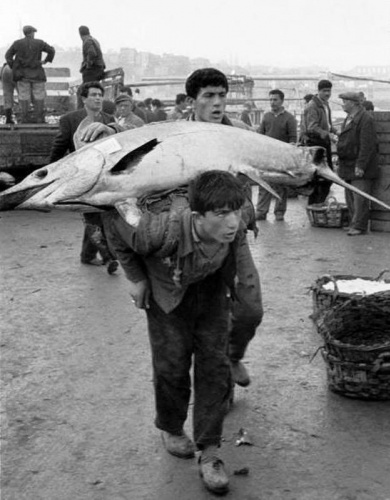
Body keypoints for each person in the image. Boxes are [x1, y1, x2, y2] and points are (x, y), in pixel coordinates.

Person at [104, 170, 260, 494]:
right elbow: (112, 221)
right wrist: (136, 277)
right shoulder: (156, 231)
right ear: (197, 215)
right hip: (167, 295)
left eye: (235, 211)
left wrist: (246, 312)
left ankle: (211, 452)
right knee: (171, 367)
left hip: (212, 292)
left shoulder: (239, 220)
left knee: (215, 369)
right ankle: (171, 427)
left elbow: (247, 285)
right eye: (221, 214)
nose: (232, 222)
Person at [185, 67, 263, 389]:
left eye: (222, 96)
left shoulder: (240, 131)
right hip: (194, 236)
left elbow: (262, 164)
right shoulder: (176, 133)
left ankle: (233, 355)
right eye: (209, 97)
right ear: (193, 101)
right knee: (205, 319)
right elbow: (134, 142)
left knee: (250, 308)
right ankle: (217, 392)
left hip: (234, 232)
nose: (217, 103)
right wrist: (104, 129)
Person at [49, 81, 122, 274]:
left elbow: (118, 146)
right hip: (83, 177)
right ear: (83, 98)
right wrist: (52, 171)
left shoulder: (109, 119)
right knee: (92, 216)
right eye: (93, 95)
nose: (98, 98)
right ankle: (108, 257)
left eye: (100, 94)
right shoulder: (70, 120)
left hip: (105, 176)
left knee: (101, 215)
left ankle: (87, 254)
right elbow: (60, 145)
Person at [337, 92, 379, 236]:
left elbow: (367, 145)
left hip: (359, 166)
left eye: (344, 101)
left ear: (353, 103)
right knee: (350, 196)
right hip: (347, 164)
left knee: (360, 197)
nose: (342, 104)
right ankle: (353, 223)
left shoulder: (366, 119)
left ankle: (359, 226)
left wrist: (360, 165)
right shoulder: (348, 118)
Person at [255, 89, 297, 221]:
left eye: (275, 100)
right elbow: (260, 136)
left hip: (282, 158)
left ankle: (279, 212)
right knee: (264, 184)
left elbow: (293, 139)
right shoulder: (266, 117)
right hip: (267, 157)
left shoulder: (289, 118)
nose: (272, 102)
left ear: (282, 101)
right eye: (271, 99)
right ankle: (261, 211)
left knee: (281, 186)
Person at [5, 25, 55, 123]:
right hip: (37, 74)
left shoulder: (17, 43)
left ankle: (24, 119)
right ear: (32, 33)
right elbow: (51, 51)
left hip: (22, 75)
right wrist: (46, 61)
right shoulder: (39, 43)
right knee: (39, 96)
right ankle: (40, 118)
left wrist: (14, 66)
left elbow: (8, 55)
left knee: (24, 96)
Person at [304, 79, 339, 204]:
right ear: (318, 91)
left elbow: (328, 124)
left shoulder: (326, 104)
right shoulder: (312, 106)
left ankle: (318, 203)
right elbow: (312, 127)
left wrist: (336, 131)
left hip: (325, 143)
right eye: (324, 91)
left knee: (326, 177)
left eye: (329, 91)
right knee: (319, 178)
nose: (327, 93)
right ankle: (314, 204)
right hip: (316, 145)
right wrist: (328, 135)